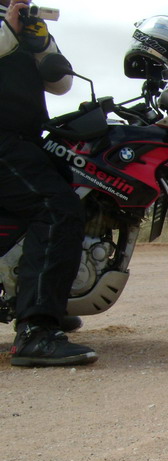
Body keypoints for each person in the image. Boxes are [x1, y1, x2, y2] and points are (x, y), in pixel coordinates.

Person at [0, 0, 97, 366]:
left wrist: (41, 44)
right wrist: (10, 30)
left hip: (25, 139)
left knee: (71, 195)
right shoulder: (7, 27)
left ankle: (46, 300)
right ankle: (35, 331)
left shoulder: (22, 27)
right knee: (56, 209)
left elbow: (61, 84)